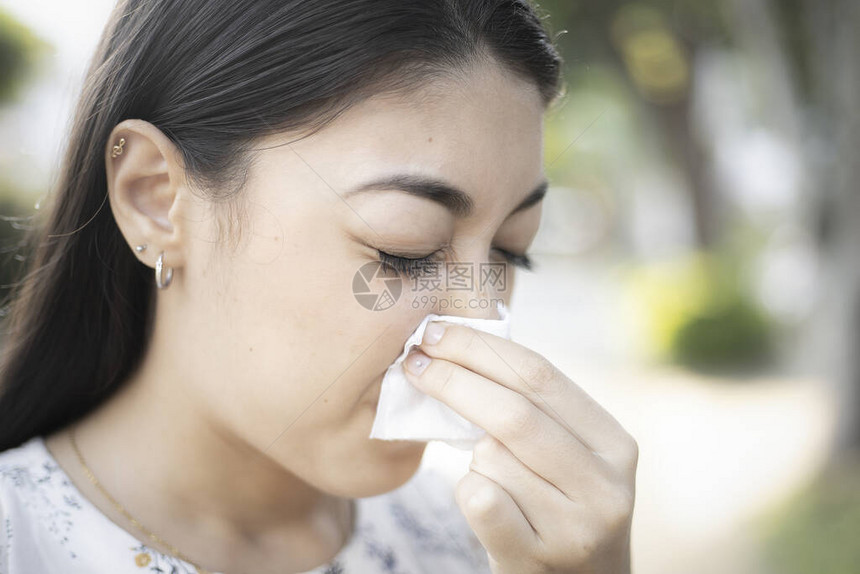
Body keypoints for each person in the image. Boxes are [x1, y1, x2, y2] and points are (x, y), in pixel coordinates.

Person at [0, 0, 638, 572]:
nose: (482, 321)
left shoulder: (478, 544)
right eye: (404, 249)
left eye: (510, 252)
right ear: (156, 199)